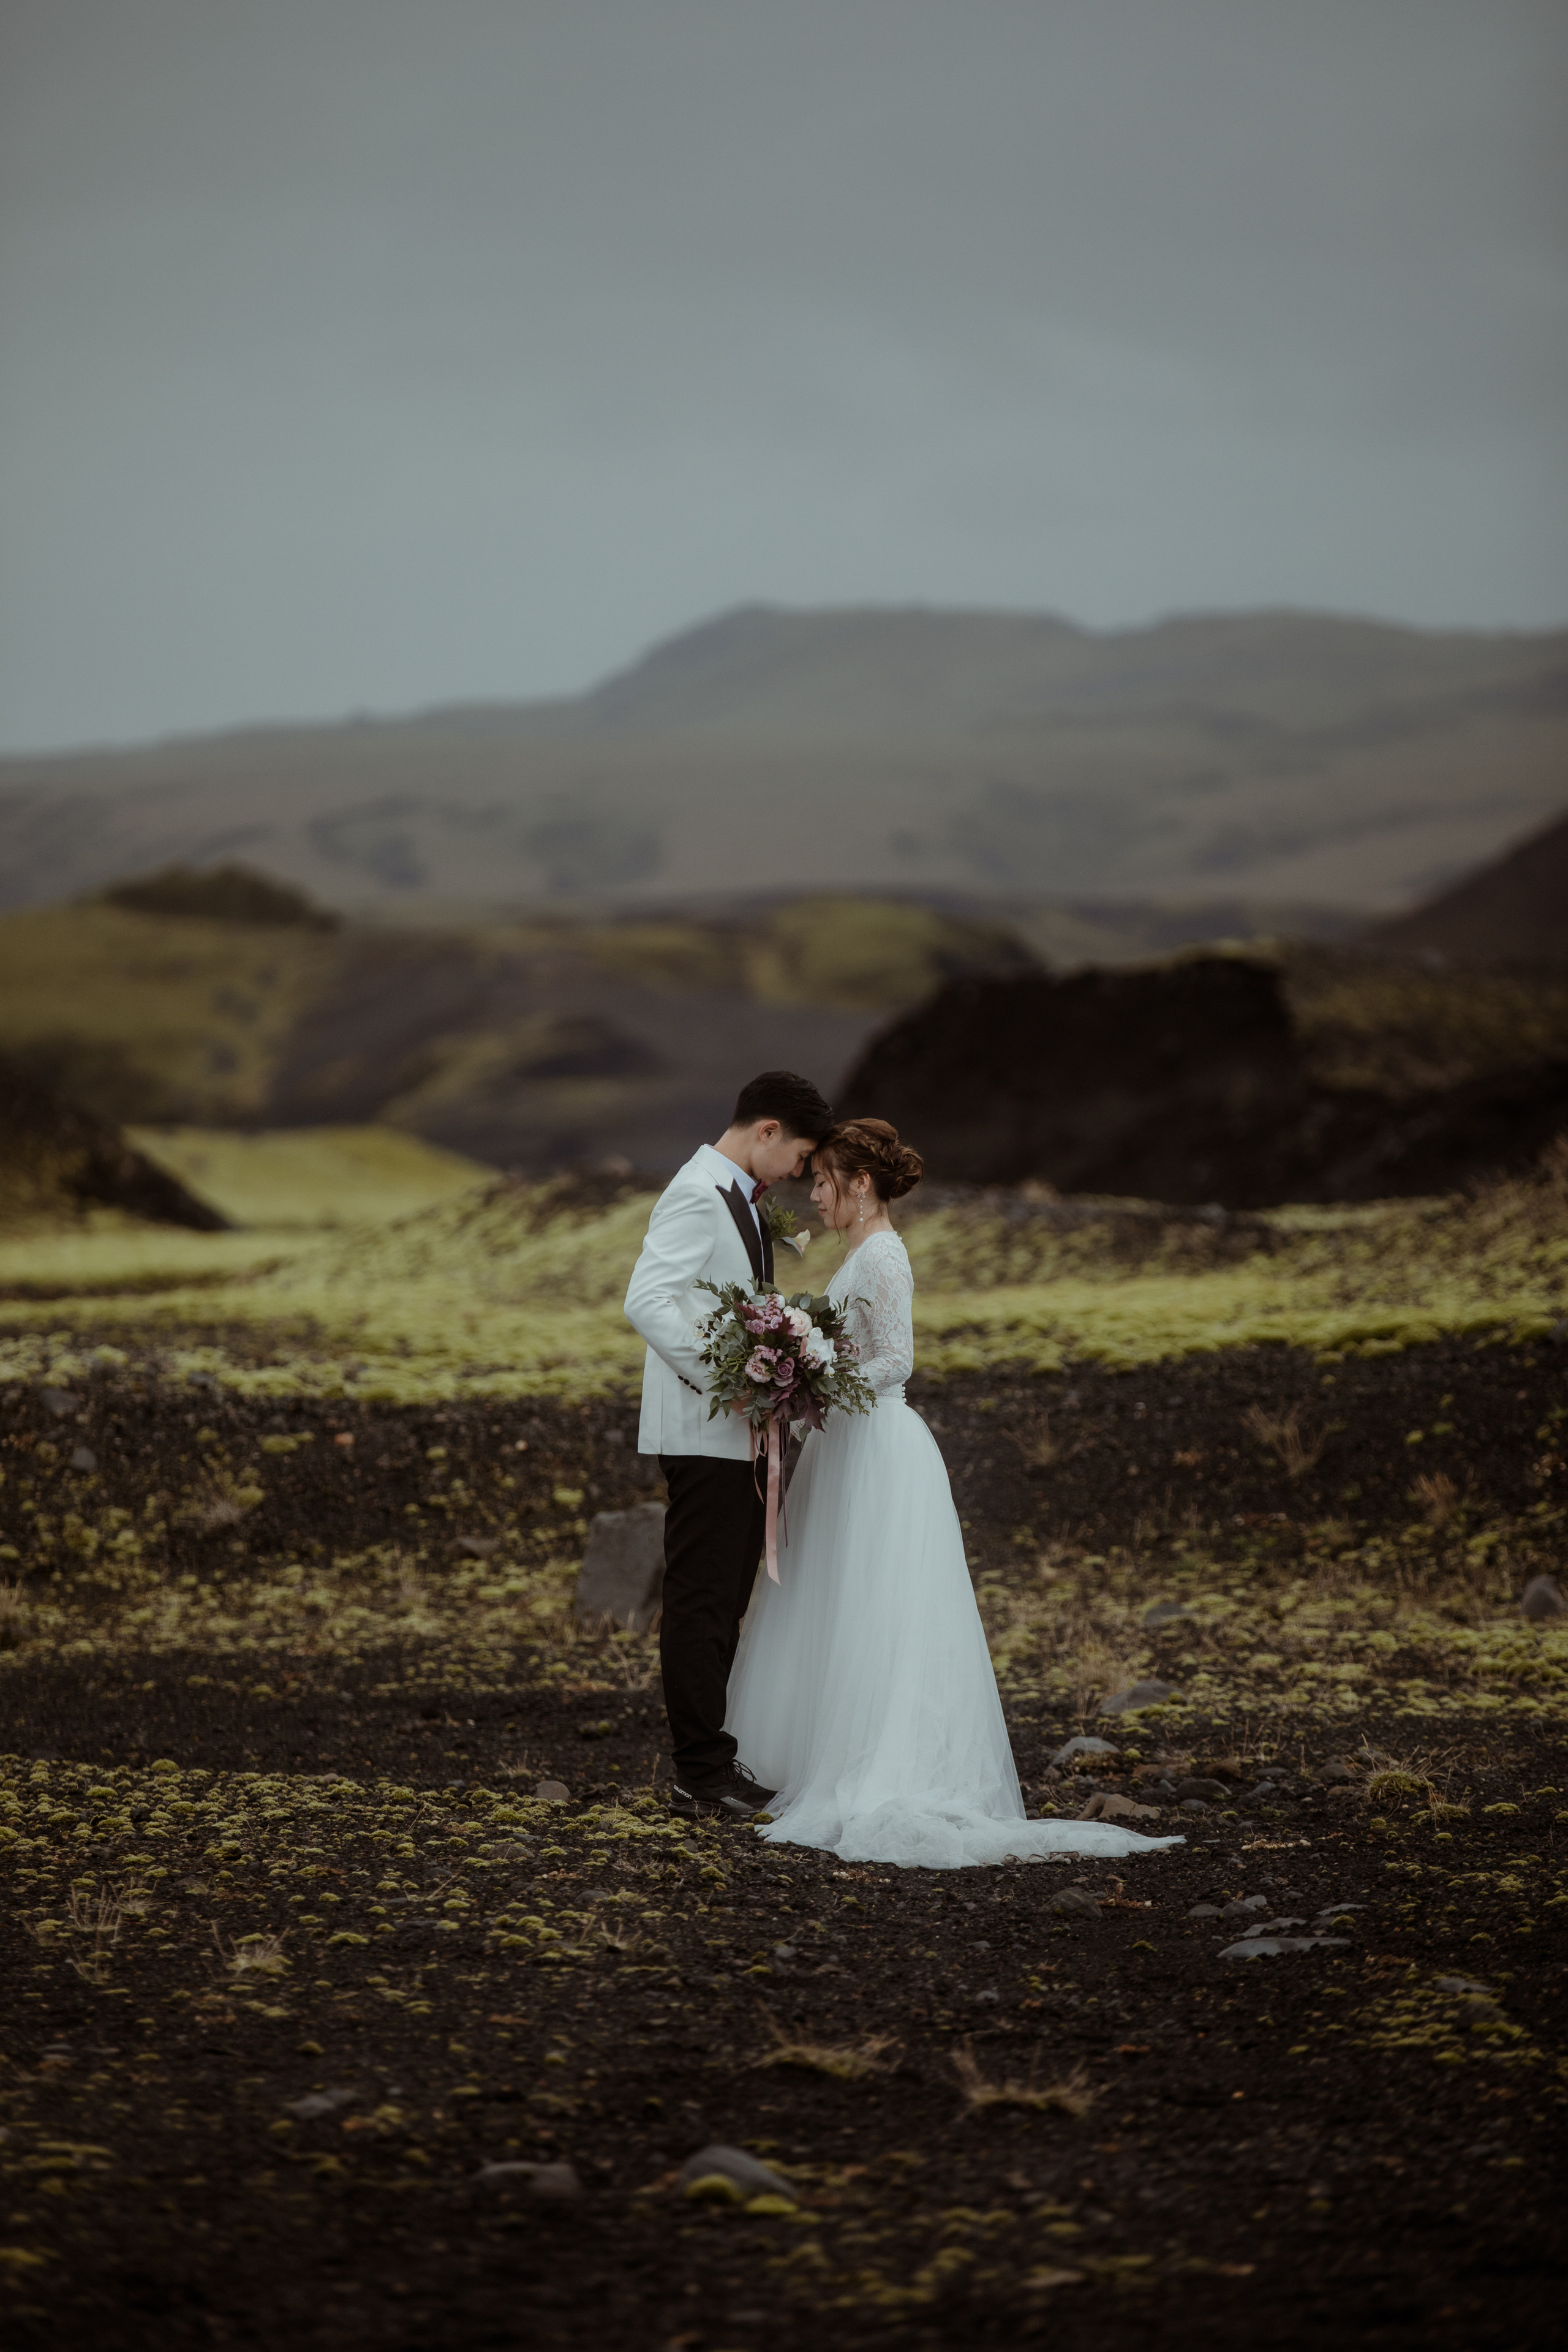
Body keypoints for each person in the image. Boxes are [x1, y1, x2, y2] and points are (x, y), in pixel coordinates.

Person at [726, 1117, 1184, 1870]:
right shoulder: (858, 1254)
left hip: (878, 1447)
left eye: (823, 1181)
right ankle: (829, 1752)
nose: (813, 1194)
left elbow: (897, 1361)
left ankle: (884, 1764)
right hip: (847, 1444)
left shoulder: (883, 1259)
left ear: (861, 1184)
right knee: (842, 1601)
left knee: (881, 1604)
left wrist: (816, 1381)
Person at [625, 1068, 835, 1822]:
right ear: (768, 1131)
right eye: (802, 1157)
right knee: (702, 1602)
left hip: (737, 1437)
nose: (801, 1175)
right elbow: (645, 1299)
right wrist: (732, 1378)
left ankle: (713, 1763)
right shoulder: (694, 1193)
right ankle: (699, 1774)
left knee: (724, 1603)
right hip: (705, 1431)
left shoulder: (736, 1198)